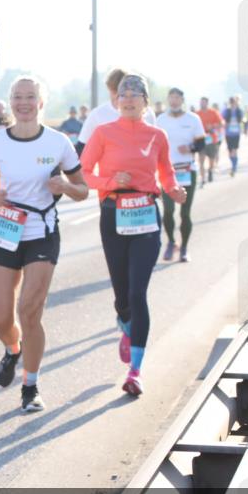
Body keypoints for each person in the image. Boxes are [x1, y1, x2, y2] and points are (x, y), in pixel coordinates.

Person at [0, 77, 88, 412]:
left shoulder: (58, 142)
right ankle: (13, 349)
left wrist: (65, 185)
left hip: (41, 231)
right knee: (0, 318)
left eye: (31, 97)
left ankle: (30, 385)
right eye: (18, 97)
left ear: (41, 102)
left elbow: (83, 190)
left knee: (29, 311)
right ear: (10, 102)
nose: (24, 102)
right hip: (6, 231)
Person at [80, 74, 186, 396]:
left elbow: (165, 171)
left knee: (139, 292)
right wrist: (111, 180)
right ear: (116, 102)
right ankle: (125, 322)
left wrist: (173, 189)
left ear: (145, 101)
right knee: (122, 295)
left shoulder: (157, 135)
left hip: (145, 215)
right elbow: (85, 174)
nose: (127, 98)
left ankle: (136, 370)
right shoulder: (103, 132)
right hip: (113, 214)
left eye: (134, 94)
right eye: (122, 94)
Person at [156, 88, 205, 263]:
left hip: (187, 170)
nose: (174, 101)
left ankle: (184, 247)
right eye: (171, 98)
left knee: (185, 212)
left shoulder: (193, 119)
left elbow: (201, 143)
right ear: (168, 100)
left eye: (177, 98)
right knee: (168, 210)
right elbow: (154, 145)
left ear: (182, 100)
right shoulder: (160, 120)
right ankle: (171, 242)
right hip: (167, 172)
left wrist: (190, 148)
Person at [77, 68, 157, 155]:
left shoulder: (148, 113)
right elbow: (81, 147)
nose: (115, 96)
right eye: (112, 91)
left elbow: (154, 147)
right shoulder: (97, 114)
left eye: (119, 92)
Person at [196, 97, 224, 185]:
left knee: (212, 159)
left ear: (207, 103)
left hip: (211, 138)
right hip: (201, 138)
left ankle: (210, 170)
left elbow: (221, 124)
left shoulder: (213, 112)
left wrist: (212, 126)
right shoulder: (197, 114)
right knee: (201, 160)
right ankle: (203, 178)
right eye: (201, 102)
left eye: (204, 102)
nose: (202, 104)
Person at [221, 96, 245, 177]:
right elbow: (221, 119)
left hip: (236, 133)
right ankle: (233, 164)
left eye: (233, 102)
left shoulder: (239, 111)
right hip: (228, 133)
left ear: (236, 102)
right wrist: (224, 123)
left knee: (234, 150)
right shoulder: (226, 111)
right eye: (231, 102)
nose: (232, 104)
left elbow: (243, 119)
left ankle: (234, 167)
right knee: (230, 151)